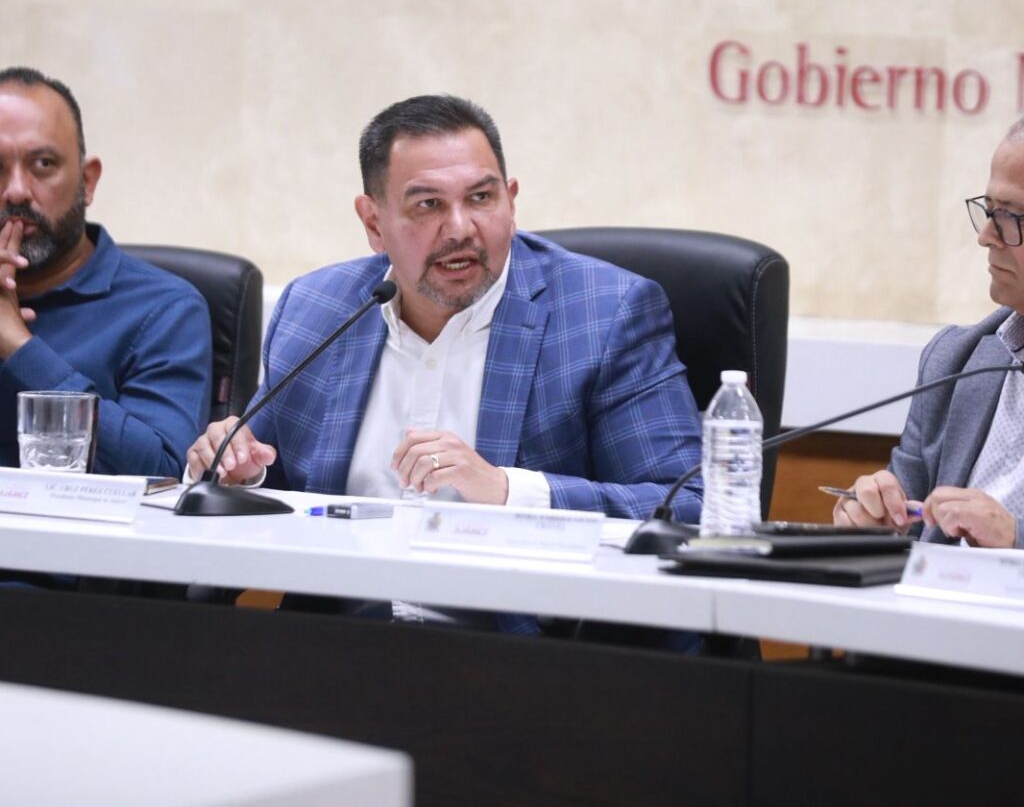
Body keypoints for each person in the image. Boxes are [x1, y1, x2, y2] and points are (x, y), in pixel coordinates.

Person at [188, 93, 702, 525]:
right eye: (428, 205)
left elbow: (688, 505)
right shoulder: (316, 310)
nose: (460, 228)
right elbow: (279, 481)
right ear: (373, 223)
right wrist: (238, 471)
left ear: (511, 202)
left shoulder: (605, 315)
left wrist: (506, 491)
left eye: (481, 198)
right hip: (345, 610)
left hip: (514, 613)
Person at [0, 66, 212, 476]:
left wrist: (18, 347)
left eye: (43, 163)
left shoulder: (163, 308)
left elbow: (162, 472)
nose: (17, 191)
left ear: (87, 181)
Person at [835, 117, 1024, 549]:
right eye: (989, 211)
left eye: (1010, 217)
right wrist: (873, 525)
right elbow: (906, 520)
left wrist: (1015, 539)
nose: (986, 236)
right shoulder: (956, 361)